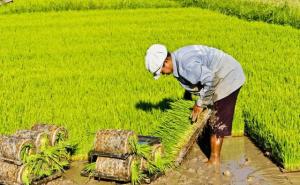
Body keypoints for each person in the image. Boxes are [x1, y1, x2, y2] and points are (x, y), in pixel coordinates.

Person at [145, 44, 246, 166]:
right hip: (216, 75)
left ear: (166, 61)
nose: (163, 74)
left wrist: (199, 104)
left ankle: (214, 160)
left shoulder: (187, 64)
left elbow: (211, 80)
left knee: (217, 121)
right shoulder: (177, 60)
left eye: (161, 70)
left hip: (228, 76)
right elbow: (194, 80)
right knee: (210, 113)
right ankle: (210, 148)